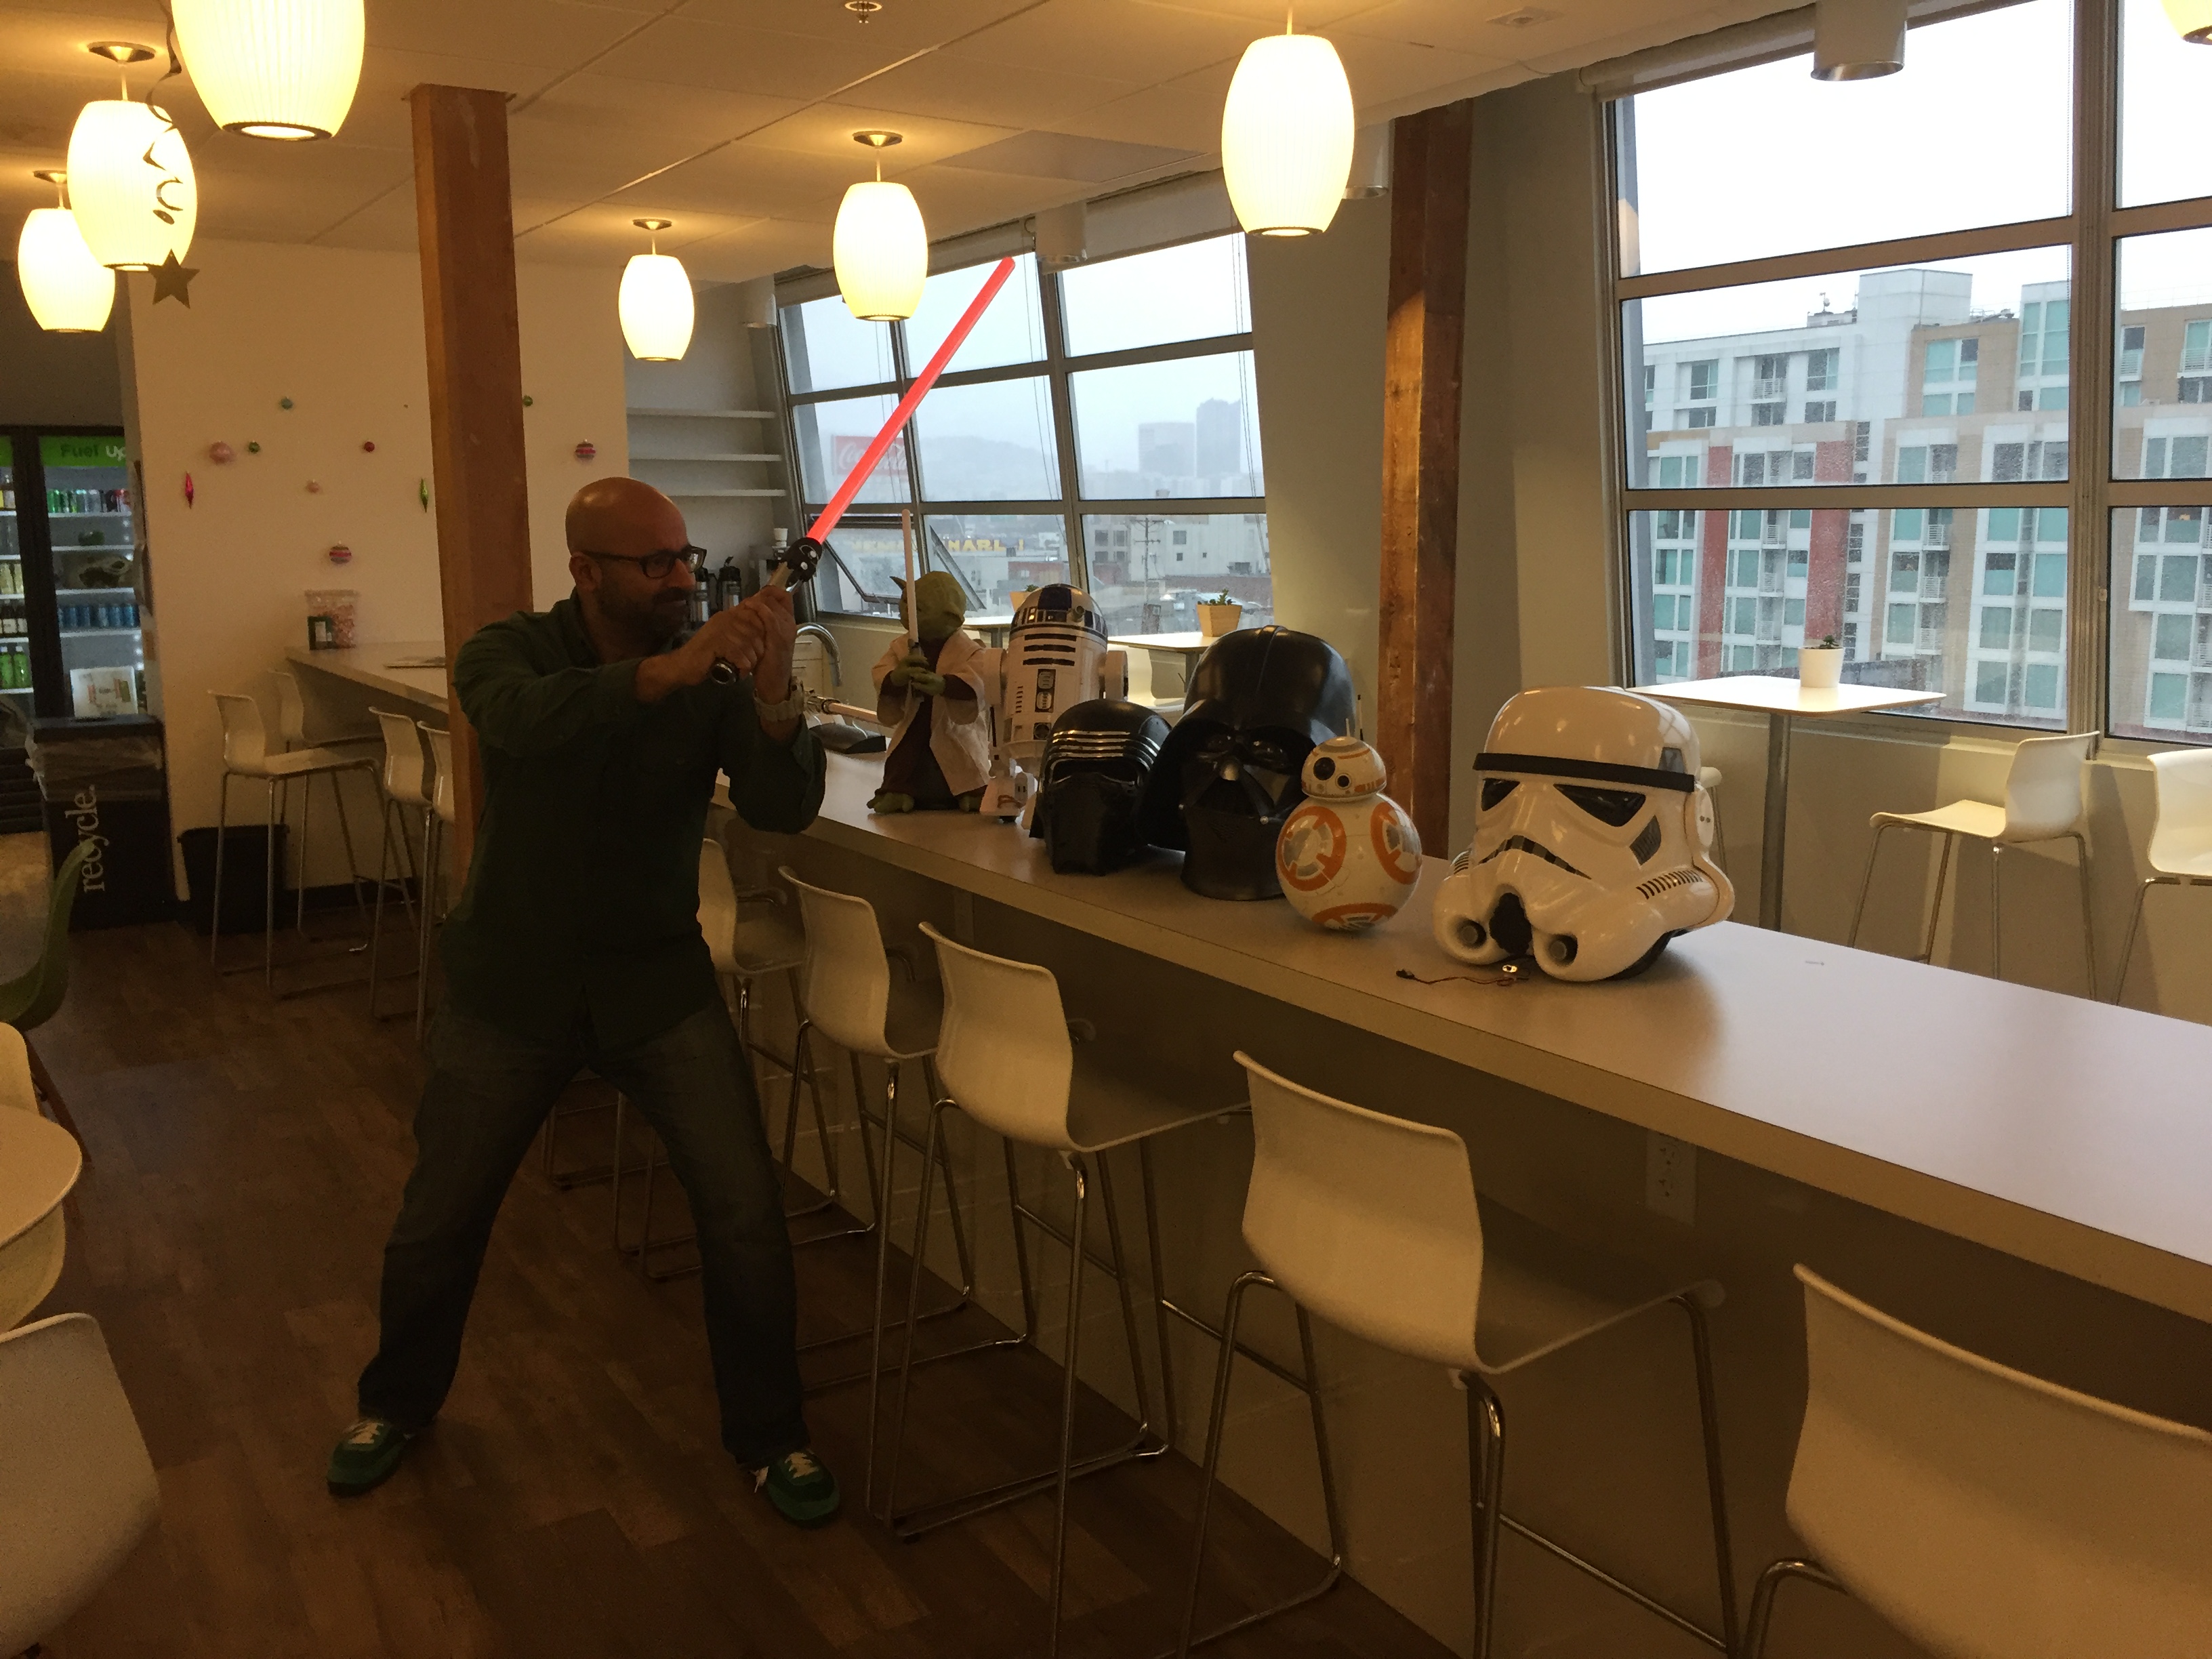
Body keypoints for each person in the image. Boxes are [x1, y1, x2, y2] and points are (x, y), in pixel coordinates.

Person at [326, 477, 838, 1527]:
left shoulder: (712, 677)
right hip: (511, 985)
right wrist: (665, 674)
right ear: (586, 572)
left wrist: (774, 690)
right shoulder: (506, 653)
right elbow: (521, 721)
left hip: (657, 983)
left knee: (744, 1215)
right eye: (657, 564)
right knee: (440, 1218)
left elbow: (783, 806)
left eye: (686, 557)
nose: (683, 578)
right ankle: (396, 1405)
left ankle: (771, 1435)